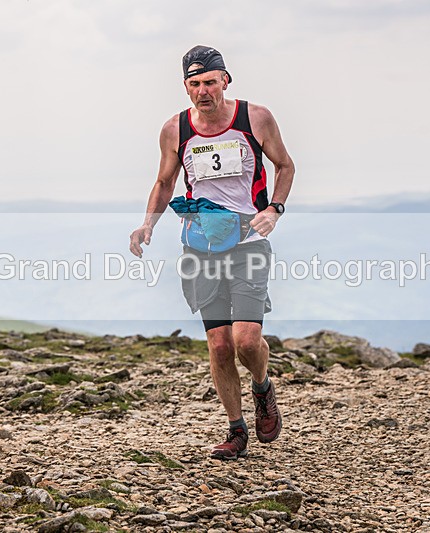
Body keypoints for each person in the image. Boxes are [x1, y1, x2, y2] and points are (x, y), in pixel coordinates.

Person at [129, 45, 295, 460]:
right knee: (219, 345)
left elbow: (285, 166)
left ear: (225, 80)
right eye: (194, 83)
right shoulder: (175, 129)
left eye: (210, 82)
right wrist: (147, 223)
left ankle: (262, 387)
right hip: (200, 245)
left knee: (246, 340)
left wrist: (274, 209)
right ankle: (236, 430)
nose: (203, 91)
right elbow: (165, 182)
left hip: (248, 242)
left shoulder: (255, 118)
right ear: (186, 88)